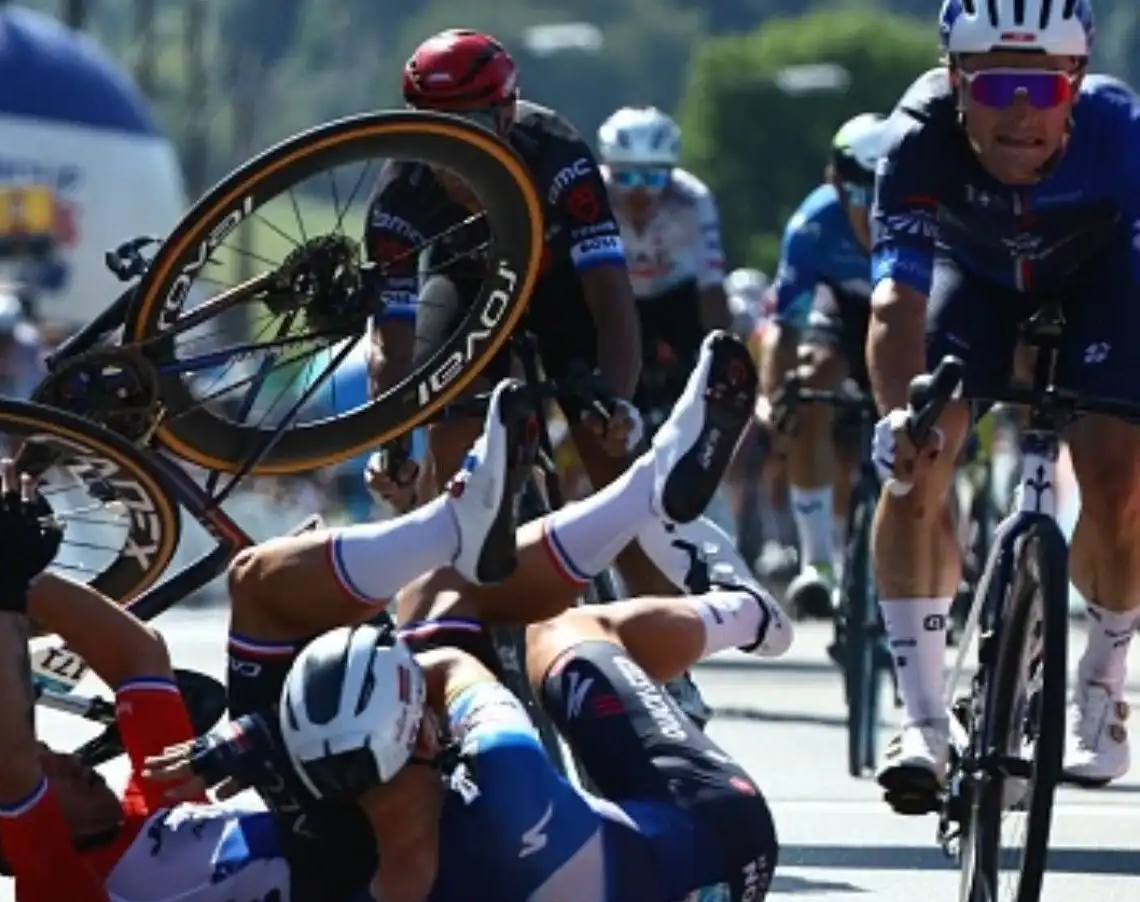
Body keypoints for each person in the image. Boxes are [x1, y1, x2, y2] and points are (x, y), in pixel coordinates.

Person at [0, 332, 987, 902]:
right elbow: (7, 743)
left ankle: (627, 503)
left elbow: (137, 651)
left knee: (446, 607)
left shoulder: (140, 809)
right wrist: (0, 603)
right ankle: (572, 520)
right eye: (49, 770)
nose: (67, 756)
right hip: (347, 874)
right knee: (300, 602)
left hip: (340, 833)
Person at [361, 28, 749, 728]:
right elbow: (392, 347)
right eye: (432, 129)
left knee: (615, 465)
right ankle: (471, 641)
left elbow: (611, 298)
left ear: (506, 113)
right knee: (446, 445)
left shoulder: (556, 153)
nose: (452, 148)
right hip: (467, 292)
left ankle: (669, 667)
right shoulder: (401, 190)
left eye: (471, 127)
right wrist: (392, 442)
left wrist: (618, 403)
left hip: (562, 288)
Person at [871, 0, 1140, 804]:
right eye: (995, 89)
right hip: (974, 279)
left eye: (1043, 88)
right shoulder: (918, 136)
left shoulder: (1122, 133)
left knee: (1118, 478)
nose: (1020, 114)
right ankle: (919, 718)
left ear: (1076, 86)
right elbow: (895, 304)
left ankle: (1102, 681)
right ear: (956, 82)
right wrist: (898, 420)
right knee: (919, 460)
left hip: (1102, 284)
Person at [761, 113, 886, 621]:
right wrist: (775, 399)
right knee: (809, 385)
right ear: (836, 183)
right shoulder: (812, 225)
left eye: (886, 195)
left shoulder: (932, 211)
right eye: (861, 196)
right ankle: (818, 562)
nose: (873, 213)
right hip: (844, 311)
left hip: (912, 310)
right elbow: (786, 327)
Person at [596, 106, 732, 414]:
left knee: (709, 373)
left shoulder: (693, 199)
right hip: (619, 296)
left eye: (653, 177)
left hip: (676, 296)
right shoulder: (592, 193)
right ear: (608, 169)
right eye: (625, 176)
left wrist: (724, 361)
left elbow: (711, 286)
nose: (639, 191)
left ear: (671, 173)